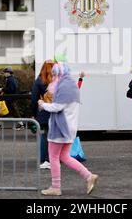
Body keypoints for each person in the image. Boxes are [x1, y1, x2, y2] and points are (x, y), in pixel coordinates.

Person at [38, 63, 98, 196]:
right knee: (65, 156)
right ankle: (89, 176)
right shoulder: (71, 86)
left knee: (53, 157)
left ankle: (56, 187)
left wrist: (43, 105)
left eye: (54, 74)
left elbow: (57, 107)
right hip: (70, 128)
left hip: (60, 128)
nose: (52, 77)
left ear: (58, 74)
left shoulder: (63, 87)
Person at [31, 60, 55, 169]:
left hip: (43, 113)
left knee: (44, 136)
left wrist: (33, 114)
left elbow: (34, 99)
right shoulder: (57, 80)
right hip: (56, 113)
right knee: (54, 138)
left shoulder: (39, 81)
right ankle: (54, 159)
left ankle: (44, 159)